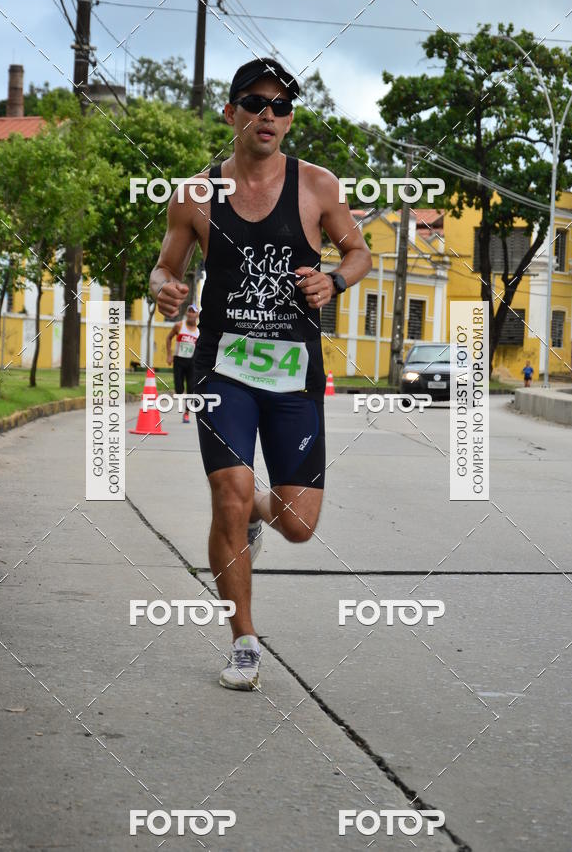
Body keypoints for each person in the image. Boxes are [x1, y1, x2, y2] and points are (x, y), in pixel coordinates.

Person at [150, 57, 371, 691]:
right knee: (228, 491)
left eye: (279, 105)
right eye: (254, 102)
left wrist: (332, 280)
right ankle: (244, 640)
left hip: (294, 372)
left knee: (299, 524)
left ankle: (253, 514)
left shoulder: (318, 187)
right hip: (222, 370)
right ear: (232, 114)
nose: (267, 114)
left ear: (290, 120)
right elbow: (164, 269)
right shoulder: (196, 195)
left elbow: (358, 253)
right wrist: (166, 289)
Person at [166, 304, 200, 423]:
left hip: (192, 362)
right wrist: (169, 355)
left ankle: (186, 413)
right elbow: (169, 338)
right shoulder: (179, 326)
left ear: (197, 315)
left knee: (191, 388)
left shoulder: (199, 331)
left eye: (193, 312)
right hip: (179, 360)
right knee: (179, 388)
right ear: (186, 314)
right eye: (189, 312)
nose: (191, 314)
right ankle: (181, 398)